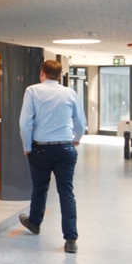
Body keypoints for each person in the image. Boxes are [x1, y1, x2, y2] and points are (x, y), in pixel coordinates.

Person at [18, 60, 86, 253]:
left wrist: (27, 146)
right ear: (59, 75)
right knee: (66, 192)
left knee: (40, 187)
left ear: (42, 73)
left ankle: (34, 223)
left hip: (41, 149)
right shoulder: (70, 93)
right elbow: (80, 122)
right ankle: (71, 239)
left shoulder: (32, 91)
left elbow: (25, 122)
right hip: (65, 148)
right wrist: (76, 139)